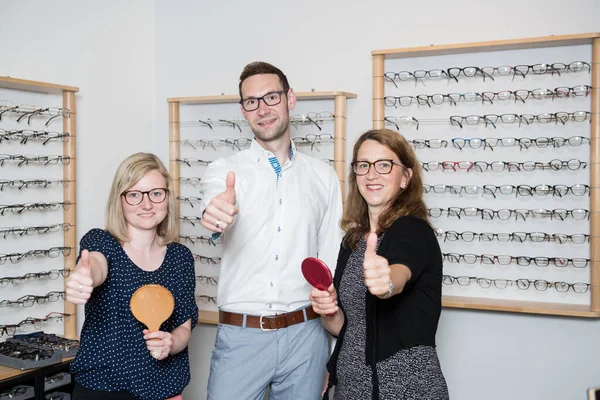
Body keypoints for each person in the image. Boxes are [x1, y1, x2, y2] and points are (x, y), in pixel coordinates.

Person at [199, 61, 344, 399]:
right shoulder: (224, 171)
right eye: (252, 101)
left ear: (289, 98)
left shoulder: (323, 177)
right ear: (243, 110)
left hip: (307, 337)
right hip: (242, 335)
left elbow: (331, 264)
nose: (262, 109)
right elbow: (213, 208)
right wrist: (216, 215)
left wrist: (332, 353)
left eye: (271, 97)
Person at [309, 129, 449, 400]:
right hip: (351, 389)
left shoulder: (413, 229)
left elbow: (400, 270)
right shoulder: (352, 241)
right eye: (363, 165)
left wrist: (387, 283)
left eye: (384, 165)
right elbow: (348, 329)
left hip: (406, 390)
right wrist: (328, 311)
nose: (372, 174)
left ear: (405, 177)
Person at [66, 153, 198, 400]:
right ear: (120, 200)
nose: (146, 205)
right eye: (134, 195)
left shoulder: (180, 257)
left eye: (156, 193)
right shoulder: (102, 242)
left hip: (164, 391)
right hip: (103, 390)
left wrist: (170, 343)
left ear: (167, 197)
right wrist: (85, 277)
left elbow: (184, 327)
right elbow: (96, 264)